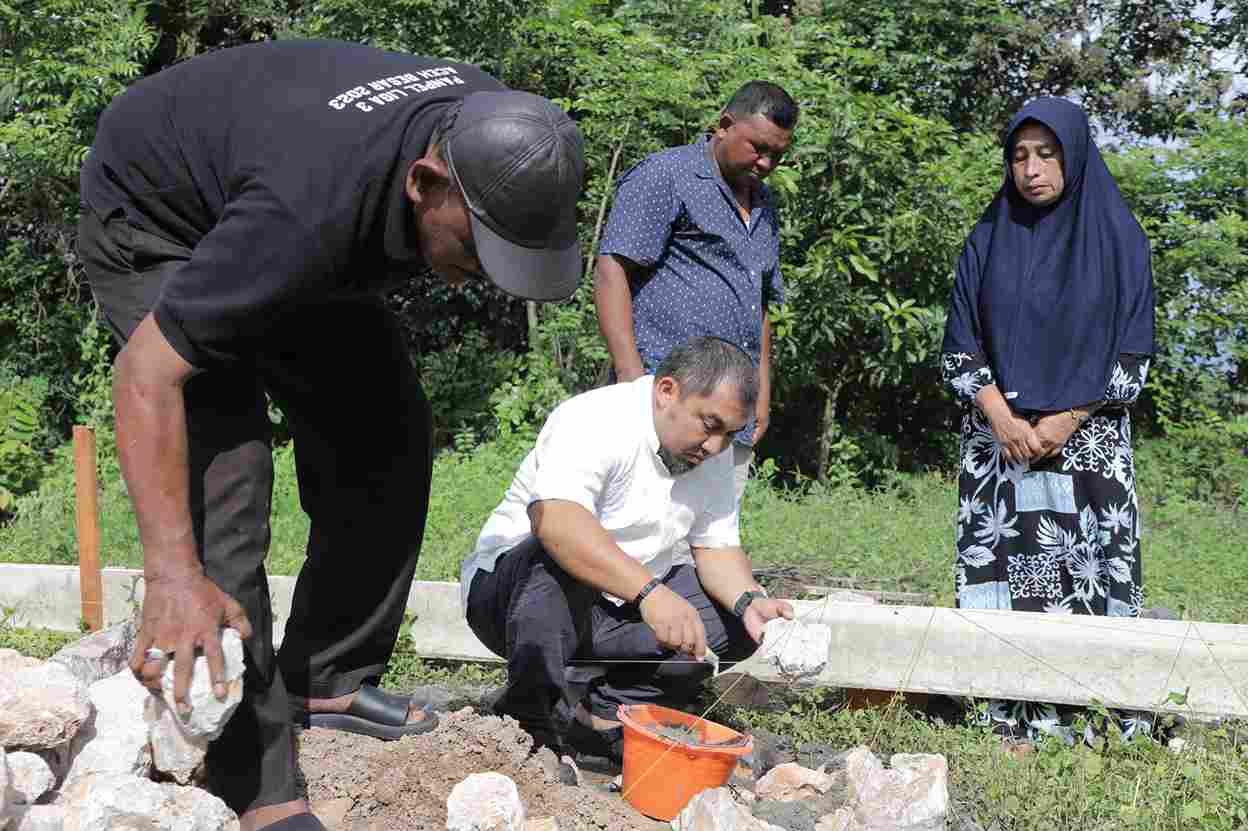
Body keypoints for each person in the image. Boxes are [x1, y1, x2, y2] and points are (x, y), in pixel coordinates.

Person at [77, 39, 584, 831]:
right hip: (161, 211)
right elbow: (146, 375)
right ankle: (255, 780)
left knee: (384, 420)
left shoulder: (509, 132)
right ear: (425, 183)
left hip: (280, 195)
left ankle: (327, 671)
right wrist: (173, 571)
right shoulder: (306, 206)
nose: (485, 274)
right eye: (478, 249)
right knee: (229, 462)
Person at [460, 337, 794, 761]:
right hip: (513, 600)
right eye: (709, 426)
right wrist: (650, 592)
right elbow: (557, 523)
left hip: (616, 607)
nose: (715, 447)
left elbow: (717, 547)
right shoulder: (595, 417)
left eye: (729, 434)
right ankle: (530, 722)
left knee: (738, 623)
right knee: (561, 556)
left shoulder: (715, 456)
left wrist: (750, 601)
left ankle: (605, 713)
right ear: (666, 391)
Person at [940, 97, 1155, 741]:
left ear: (1075, 155)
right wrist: (1001, 415)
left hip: (1089, 442)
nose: (1031, 169)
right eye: (1019, 156)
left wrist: (1069, 416)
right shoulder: (989, 236)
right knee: (1005, 572)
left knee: (1089, 569)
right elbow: (959, 341)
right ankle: (1001, 716)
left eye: (1046, 153)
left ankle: (1090, 719)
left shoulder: (1120, 239)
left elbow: (1135, 347)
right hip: (997, 445)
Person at [594, 81, 797, 509]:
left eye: (777, 155)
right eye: (757, 148)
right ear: (724, 125)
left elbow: (759, 302)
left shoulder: (765, 203)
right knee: (640, 526)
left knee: (708, 536)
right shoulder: (667, 175)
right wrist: (632, 381)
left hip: (729, 413)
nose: (765, 163)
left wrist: (761, 392)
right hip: (669, 402)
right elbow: (613, 270)